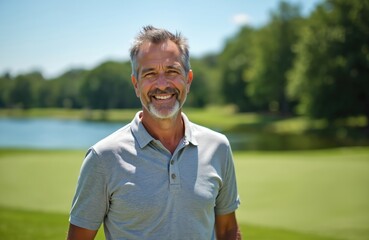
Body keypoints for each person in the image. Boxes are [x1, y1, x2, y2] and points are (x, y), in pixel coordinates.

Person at [67, 25, 241, 240]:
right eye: (150, 74)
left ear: (188, 79)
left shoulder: (218, 147)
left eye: (172, 71)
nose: (162, 85)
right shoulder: (103, 157)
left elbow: (227, 230)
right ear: (136, 85)